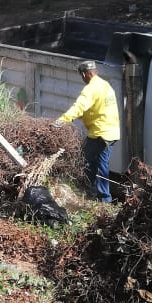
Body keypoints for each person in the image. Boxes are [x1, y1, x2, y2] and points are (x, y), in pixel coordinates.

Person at [55, 60, 120, 203]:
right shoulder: (105, 85)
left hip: (100, 133)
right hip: (111, 132)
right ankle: (94, 195)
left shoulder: (91, 89)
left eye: (82, 76)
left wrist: (63, 120)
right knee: (94, 163)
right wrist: (74, 117)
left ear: (84, 74)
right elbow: (90, 108)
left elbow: (80, 105)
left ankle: (98, 198)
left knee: (91, 164)